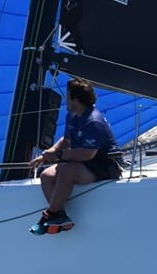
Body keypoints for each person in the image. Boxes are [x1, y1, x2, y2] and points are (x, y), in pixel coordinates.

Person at [28, 77, 122, 234]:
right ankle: (60, 216)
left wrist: (58, 155)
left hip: (103, 164)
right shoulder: (72, 116)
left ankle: (48, 215)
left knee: (66, 170)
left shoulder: (94, 121)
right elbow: (67, 140)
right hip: (83, 162)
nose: (66, 100)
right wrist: (45, 156)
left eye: (68, 96)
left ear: (76, 99)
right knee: (46, 175)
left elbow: (87, 154)